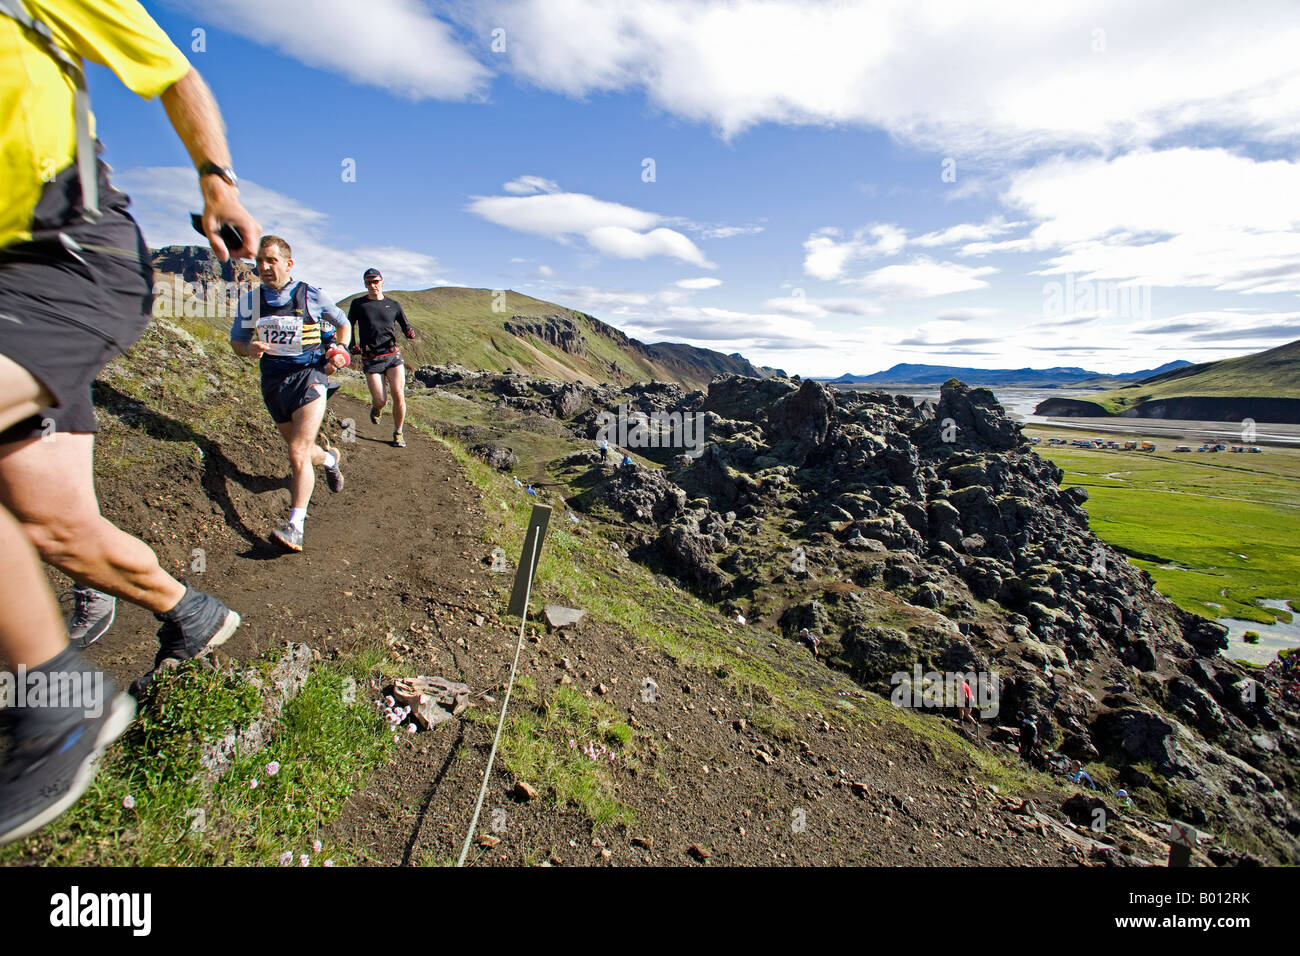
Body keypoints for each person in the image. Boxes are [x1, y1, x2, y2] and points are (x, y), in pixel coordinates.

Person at [0, 0, 258, 846]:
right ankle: (191, 611)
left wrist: (215, 179)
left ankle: (55, 709)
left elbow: (174, 71)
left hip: (67, 260)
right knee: (54, 524)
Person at [230, 236, 349, 552]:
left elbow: (343, 323)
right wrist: (248, 348)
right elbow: (237, 342)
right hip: (273, 383)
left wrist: (340, 350)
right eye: (259, 261)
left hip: (310, 376)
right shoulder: (251, 303)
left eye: (271, 260)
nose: (264, 267)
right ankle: (329, 459)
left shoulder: (311, 295)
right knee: (304, 452)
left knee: (296, 451)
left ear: (288, 263)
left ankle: (295, 526)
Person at [346, 267, 414, 447]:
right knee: (381, 400)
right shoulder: (358, 304)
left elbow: (405, 325)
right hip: (371, 358)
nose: (373, 285)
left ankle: (398, 432)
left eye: (375, 281)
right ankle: (377, 409)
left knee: (398, 394)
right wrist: (352, 344)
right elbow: (349, 324)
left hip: (393, 356)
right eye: (369, 282)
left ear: (382, 282)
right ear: (365, 284)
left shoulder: (394, 305)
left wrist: (409, 332)